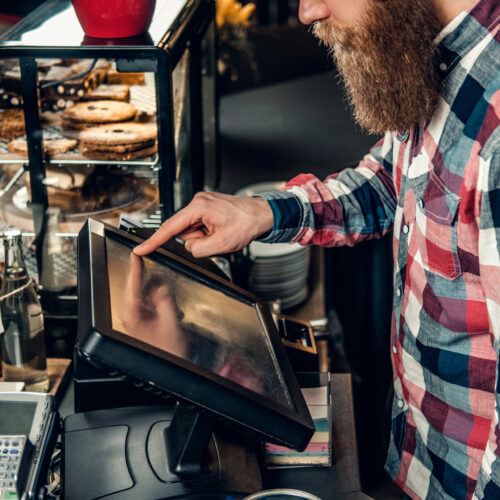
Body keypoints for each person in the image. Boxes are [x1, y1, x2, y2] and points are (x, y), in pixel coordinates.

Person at [134, 0, 500, 497]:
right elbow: (389, 182)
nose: (308, 12)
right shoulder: (438, 53)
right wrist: (262, 213)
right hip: (420, 457)